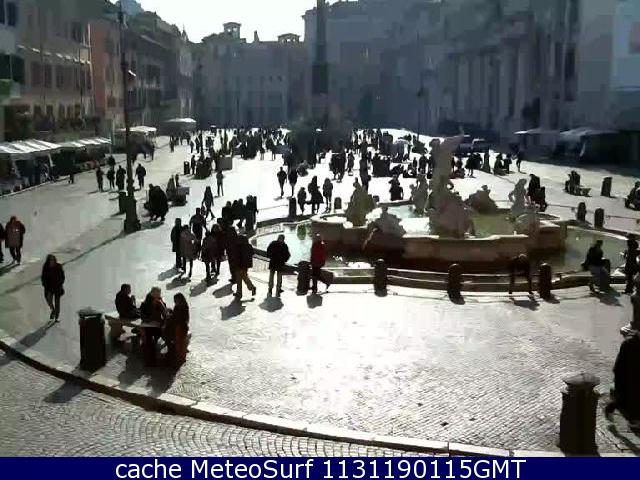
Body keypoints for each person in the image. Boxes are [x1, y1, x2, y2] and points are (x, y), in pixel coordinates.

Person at [605, 332, 640, 423]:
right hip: (627, 379)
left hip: (634, 379)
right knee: (623, 400)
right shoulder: (628, 344)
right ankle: (610, 408)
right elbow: (618, 366)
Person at [164, 293, 190, 366]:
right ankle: (171, 352)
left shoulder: (183, 307)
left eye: (176, 300)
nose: (175, 301)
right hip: (177, 326)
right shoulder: (178, 306)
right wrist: (171, 313)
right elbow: (175, 316)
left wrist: (170, 316)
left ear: (180, 300)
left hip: (181, 328)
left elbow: (180, 319)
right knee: (166, 333)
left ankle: (174, 355)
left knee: (168, 334)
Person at [41, 254, 65, 321]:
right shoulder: (46, 267)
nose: (52, 261)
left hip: (57, 287)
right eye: (50, 260)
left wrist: (60, 283)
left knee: (57, 303)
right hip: (49, 288)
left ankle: (56, 317)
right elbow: (43, 277)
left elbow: (62, 276)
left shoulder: (58, 266)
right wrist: (45, 284)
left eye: (53, 260)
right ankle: (53, 310)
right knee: (49, 300)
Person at [233, 234, 256, 299]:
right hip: (245, 265)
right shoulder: (249, 246)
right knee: (244, 276)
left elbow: (236, 256)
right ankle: (251, 288)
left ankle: (240, 292)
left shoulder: (238, 247)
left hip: (239, 265)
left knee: (239, 278)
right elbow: (252, 253)